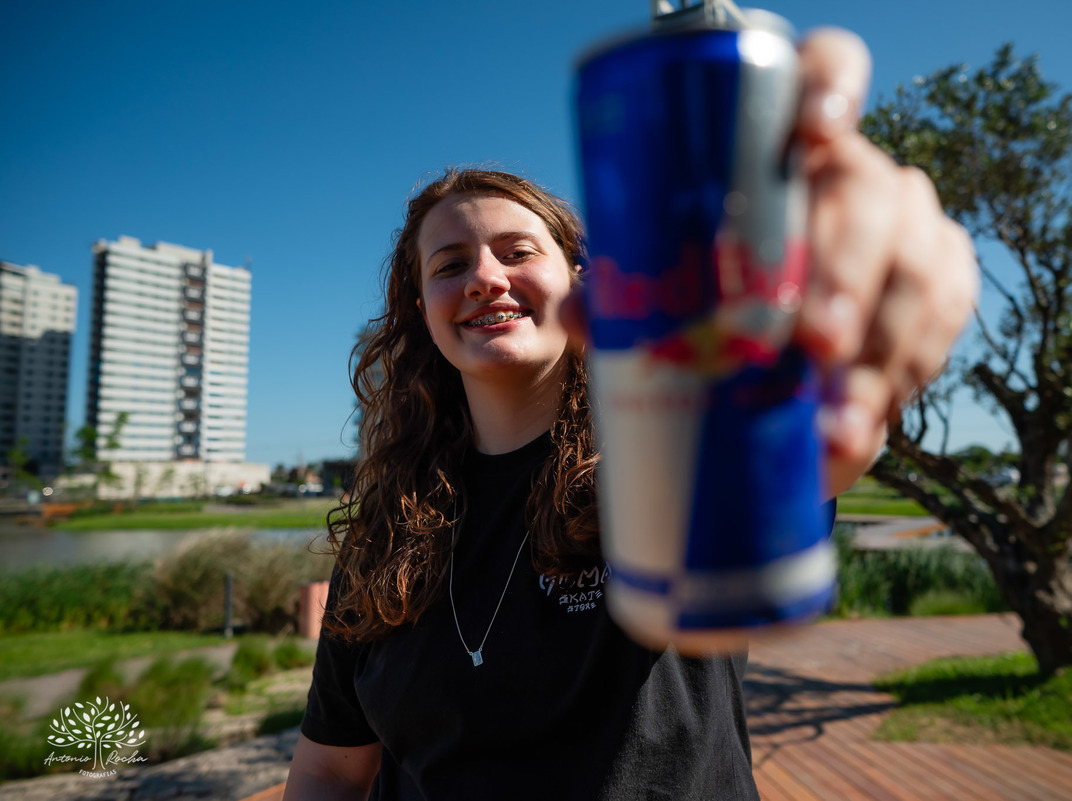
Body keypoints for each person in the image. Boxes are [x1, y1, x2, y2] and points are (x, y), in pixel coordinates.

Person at [283, 28, 978, 801]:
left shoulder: (677, 455)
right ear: (422, 308)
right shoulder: (385, 529)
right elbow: (329, 768)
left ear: (584, 278)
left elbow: (808, 450)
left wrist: (840, 309)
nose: (484, 277)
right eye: (450, 264)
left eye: (517, 251)